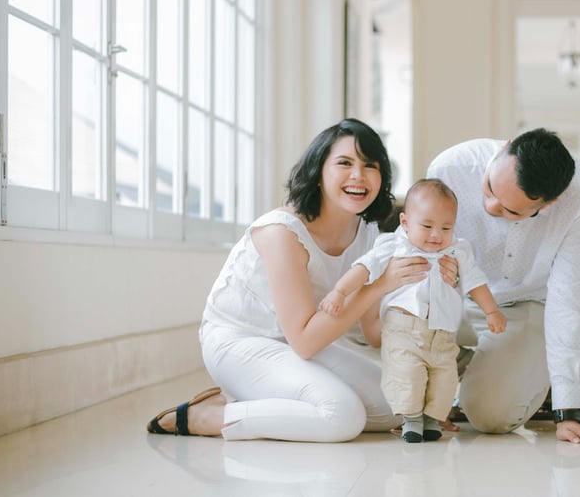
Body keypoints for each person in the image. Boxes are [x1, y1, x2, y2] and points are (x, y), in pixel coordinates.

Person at [146, 118, 448, 442]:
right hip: (239, 343)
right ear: (319, 171)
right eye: (344, 163)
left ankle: (268, 398)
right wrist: (379, 285)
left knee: (400, 405)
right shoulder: (282, 232)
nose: (358, 176)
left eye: (370, 165)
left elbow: (373, 333)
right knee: (342, 416)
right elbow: (304, 340)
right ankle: (204, 416)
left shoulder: (369, 234)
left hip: (297, 345)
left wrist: (420, 306)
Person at [426, 128, 580, 445]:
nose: (491, 206)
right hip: (462, 299)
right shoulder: (449, 168)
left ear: (549, 203)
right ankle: (491, 371)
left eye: (511, 210)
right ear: (505, 148)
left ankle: (534, 376)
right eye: (490, 188)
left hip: (531, 304)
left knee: (490, 416)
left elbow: (568, 301)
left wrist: (568, 410)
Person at [320, 178, 507, 443]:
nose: (436, 235)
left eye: (446, 227)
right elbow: (363, 268)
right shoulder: (394, 247)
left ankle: (432, 419)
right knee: (407, 375)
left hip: (442, 333)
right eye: (427, 226)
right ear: (406, 223)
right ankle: (411, 419)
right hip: (403, 328)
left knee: (444, 379)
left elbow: (476, 282)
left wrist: (492, 312)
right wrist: (339, 291)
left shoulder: (457, 251)